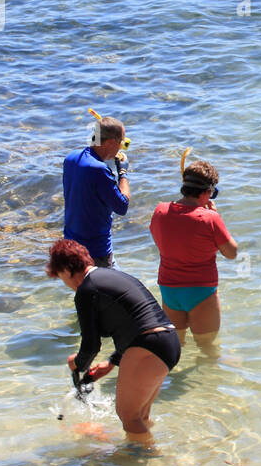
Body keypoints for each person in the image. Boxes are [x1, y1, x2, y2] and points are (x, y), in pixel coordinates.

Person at [47, 238, 181, 438]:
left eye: (61, 277)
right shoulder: (113, 276)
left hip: (148, 345)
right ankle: (144, 455)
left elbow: (91, 345)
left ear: (66, 270)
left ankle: (144, 461)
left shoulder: (85, 290)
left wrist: (77, 364)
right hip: (169, 341)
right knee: (140, 416)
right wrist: (111, 362)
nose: (65, 284)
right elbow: (134, 323)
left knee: (129, 416)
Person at [149, 161, 238, 353]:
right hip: (201, 290)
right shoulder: (209, 218)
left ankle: (173, 381)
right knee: (208, 349)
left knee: (175, 348)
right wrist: (216, 217)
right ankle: (206, 382)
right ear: (207, 192)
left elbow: (163, 241)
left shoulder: (160, 211)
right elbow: (231, 253)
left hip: (169, 288)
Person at [63, 116, 130, 268]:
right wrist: (123, 172)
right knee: (114, 290)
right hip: (96, 251)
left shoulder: (71, 158)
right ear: (111, 142)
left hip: (71, 244)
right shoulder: (99, 170)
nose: (121, 147)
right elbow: (122, 206)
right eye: (121, 142)